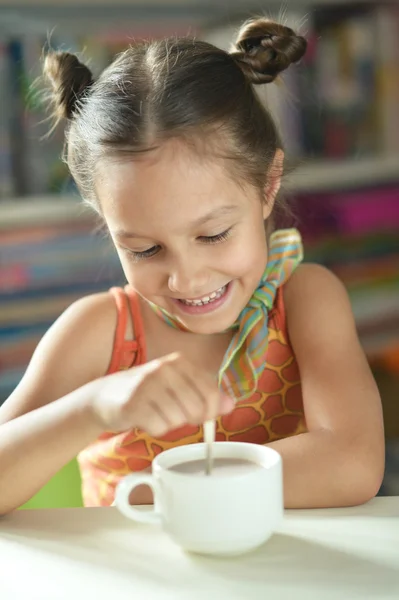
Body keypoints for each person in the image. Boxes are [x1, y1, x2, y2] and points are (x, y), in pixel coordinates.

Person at [0, 18, 384, 514]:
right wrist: (91, 408)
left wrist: (175, 492)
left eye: (213, 235)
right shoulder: (99, 335)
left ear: (268, 185)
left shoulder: (306, 300)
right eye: (144, 249)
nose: (187, 278)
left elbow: (353, 462)